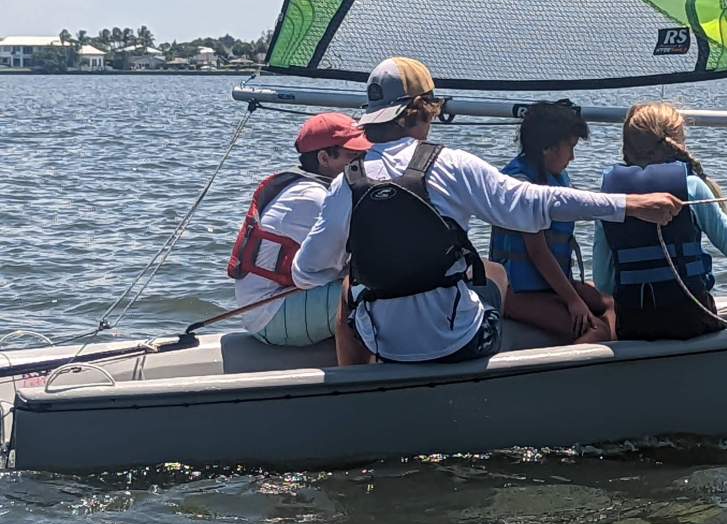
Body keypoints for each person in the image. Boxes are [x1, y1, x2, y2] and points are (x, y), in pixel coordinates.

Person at [290, 57, 682, 365]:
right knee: (492, 272)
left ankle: (357, 392)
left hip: (387, 346)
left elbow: (306, 273)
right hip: (460, 341)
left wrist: (360, 264)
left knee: (349, 289)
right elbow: (535, 202)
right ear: (422, 110)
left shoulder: (346, 183)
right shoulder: (449, 164)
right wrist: (631, 205)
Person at [593, 102, 727, 341]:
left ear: (626, 147)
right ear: (677, 142)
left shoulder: (612, 198)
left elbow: (604, 282)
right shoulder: (692, 187)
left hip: (634, 326)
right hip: (692, 320)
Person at [228, 112, 371, 346]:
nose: (362, 162)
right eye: (353, 156)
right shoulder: (311, 197)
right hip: (271, 314)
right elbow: (349, 259)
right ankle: (369, 372)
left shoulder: (312, 187)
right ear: (324, 158)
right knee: (380, 291)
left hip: (273, 306)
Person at [489, 101, 617, 344]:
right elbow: (537, 252)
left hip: (543, 286)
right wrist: (573, 300)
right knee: (597, 330)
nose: (573, 156)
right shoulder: (521, 186)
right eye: (570, 147)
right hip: (515, 292)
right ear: (547, 148)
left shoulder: (554, 175)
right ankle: (562, 381)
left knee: (611, 304)